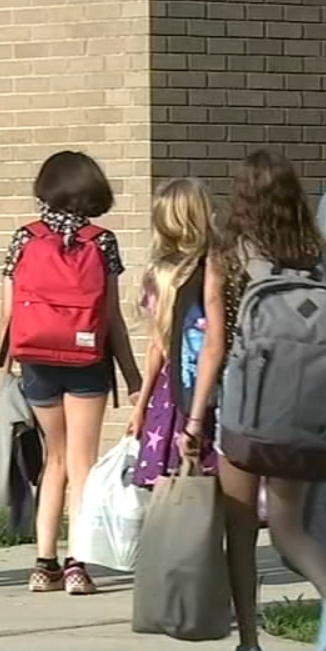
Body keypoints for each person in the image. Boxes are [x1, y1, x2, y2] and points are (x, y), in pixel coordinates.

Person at [214, 149, 326, 651]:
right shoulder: (319, 254)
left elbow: (217, 339)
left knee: (239, 530)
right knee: (285, 525)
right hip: (309, 414)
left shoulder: (231, 254)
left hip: (246, 411)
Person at [0, 151, 142, 595]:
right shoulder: (102, 241)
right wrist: (133, 376)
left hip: (36, 360)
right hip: (87, 360)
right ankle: (78, 563)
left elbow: (9, 312)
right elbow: (111, 315)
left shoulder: (24, 238)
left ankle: (43, 564)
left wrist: (8, 364)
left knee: (52, 461)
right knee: (83, 463)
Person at [128, 177, 223, 491]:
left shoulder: (158, 275)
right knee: (218, 480)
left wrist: (141, 406)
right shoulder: (219, 267)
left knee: (169, 483)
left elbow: (156, 346)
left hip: (170, 393)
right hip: (216, 389)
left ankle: (177, 537)